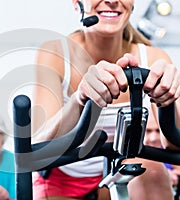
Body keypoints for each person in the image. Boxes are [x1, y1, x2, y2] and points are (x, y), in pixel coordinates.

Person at [32, 0, 180, 199]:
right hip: (64, 177)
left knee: (153, 172)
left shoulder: (153, 57)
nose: (111, 1)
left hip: (119, 170)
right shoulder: (55, 54)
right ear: (77, 3)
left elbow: (175, 147)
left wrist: (168, 99)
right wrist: (80, 98)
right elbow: (39, 144)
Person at [144, 107, 180, 188]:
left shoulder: (173, 153)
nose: (153, 138)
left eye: (158, 131)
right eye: (148, 131)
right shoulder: (135, 154)